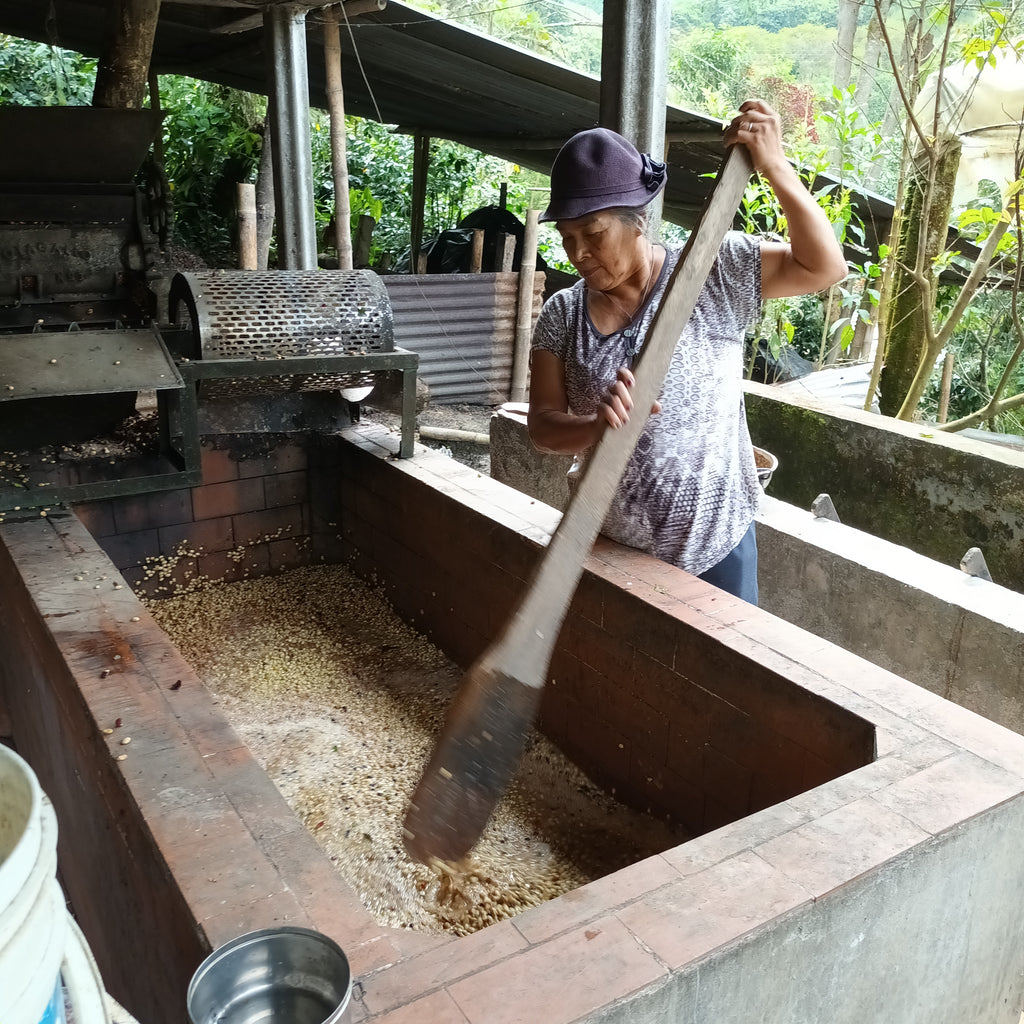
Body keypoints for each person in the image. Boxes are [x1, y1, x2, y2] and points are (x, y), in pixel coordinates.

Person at [527, 99, 847, 605]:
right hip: (610, 551)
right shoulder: (564, 315)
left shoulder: (712, 270)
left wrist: (775, 166)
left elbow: (824, 267)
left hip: (717, 549)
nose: (578, 254)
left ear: (638, 220)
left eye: (593, 234)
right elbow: (543, 425)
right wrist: (596, 429)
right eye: (567, 239)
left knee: (725, 680)